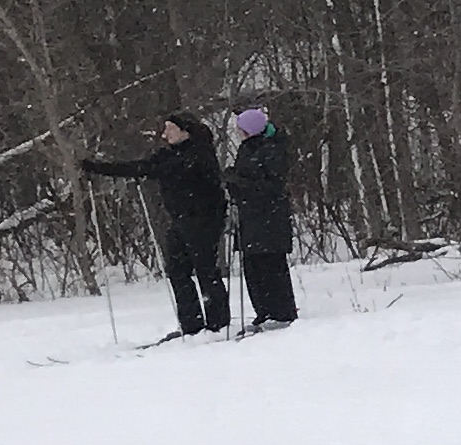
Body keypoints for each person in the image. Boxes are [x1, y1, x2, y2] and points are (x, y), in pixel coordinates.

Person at [82, 113, 232, 336]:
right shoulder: (169, 155)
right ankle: (191, 325)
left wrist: (152, 169)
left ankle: (217, 323)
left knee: (205, 269)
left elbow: (165, 169)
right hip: (180, 219)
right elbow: (141, 167)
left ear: (185, 131)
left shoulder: (199, 154)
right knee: (177, 270)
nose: (164, 134)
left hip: (204, 219)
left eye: (170, 129)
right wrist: (98, 168)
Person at [223, 106, 299, 329]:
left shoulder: (272, 149)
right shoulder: (247, 149)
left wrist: (239, 182)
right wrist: (234, 183)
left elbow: (271, 186)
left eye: (240, 129)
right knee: (253, 266)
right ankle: (263, 311)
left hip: (269, 217)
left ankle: (281, 312)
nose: (238, 132)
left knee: (271, 264)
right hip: (250, 217)